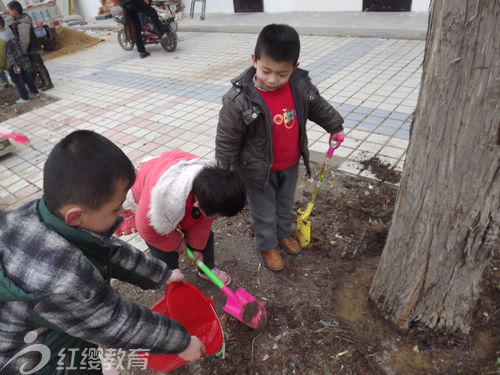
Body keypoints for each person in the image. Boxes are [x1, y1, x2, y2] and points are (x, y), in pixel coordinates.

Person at [0, 130, 205, 374]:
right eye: (116, 208)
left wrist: (161, 274)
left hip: (47, 317)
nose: (121, 214)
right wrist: (182, 342)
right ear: (76, 215)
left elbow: (109, 250)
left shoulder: (43, 215)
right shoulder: (63, 277)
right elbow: (115, 322)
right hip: (28, 354)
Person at [215, 24, 345, 272]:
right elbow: (227, 141)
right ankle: (268, 244)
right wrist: (225, 174)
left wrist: (335, 126)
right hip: (257, 171)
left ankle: (283, 233)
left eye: (282, 73)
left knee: (285, 204)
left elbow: (317, 106)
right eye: (266, 71)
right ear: (255, 60)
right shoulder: (239, 99)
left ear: (293, 68)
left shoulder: (299, 86)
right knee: (264, 211)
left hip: (290, 164)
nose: (273, 79)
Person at [115, 150, 246, 286]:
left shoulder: (210, 189)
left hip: (182, 191)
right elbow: (147, 231)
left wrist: (196, 248)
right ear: (198, 204)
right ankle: (173, 279)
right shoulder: (154, 205)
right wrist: (179, 244)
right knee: (164, 251)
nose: (218, 219)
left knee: (206, 238)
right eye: (217, 216)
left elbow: (203, 223)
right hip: (151, 206)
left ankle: (206, 268)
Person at [7, 1, 53, 91]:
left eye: (9, 10)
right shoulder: (18, 21)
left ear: (15, 11)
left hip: (33, 48)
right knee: (35, 67)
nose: (9, 12)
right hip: (30, 48)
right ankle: (43, 82)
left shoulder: (22, 23)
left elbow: (24, 41)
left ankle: (48, 83)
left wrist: (22, 52)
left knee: (39, 66)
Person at [0, 15, 39, 103]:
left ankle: (25, 98)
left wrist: (1, 66)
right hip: (20, 60)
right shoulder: (9, 32)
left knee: (17, 80)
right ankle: (34, 92)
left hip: (11, 64)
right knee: (25, 76)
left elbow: (1, 55)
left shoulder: (0, 38)